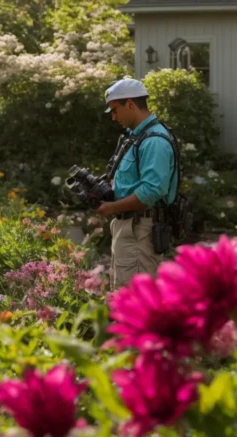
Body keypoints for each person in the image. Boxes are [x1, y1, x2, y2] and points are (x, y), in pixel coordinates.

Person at [96, 78, 179, 290]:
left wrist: (111, 207)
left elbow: (151, 191)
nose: (113, 117)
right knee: (123, 295)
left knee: (135, 298)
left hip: (140, 230)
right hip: (130, 227)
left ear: (130, 104)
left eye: (115, 110)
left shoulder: (154, 141)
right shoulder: (136, 137)